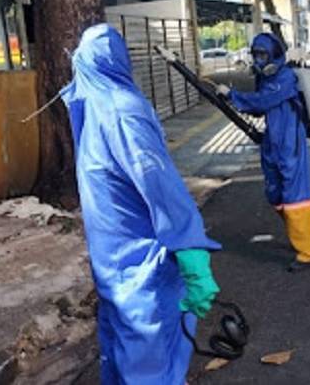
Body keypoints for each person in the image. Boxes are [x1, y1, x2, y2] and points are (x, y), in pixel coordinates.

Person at [62, 24, 221, 384]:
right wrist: (191, 248)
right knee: (148, 367)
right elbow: (160, 186)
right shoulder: (119, 111)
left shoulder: (94, 106)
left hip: (121, 269)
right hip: (140, 272)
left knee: (131, 364)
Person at [216, 33, 310, 272]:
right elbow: (259, 109)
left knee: (296, 197)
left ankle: (308, 252)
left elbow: (263, 101)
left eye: (263, 54)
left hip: (290, 144)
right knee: (275, 194)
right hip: (272, 143)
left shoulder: (284, 77)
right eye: (256, 55)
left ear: (275, 54)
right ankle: (297, 233)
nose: (259, 60)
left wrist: (233, 96)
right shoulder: (266, 79)